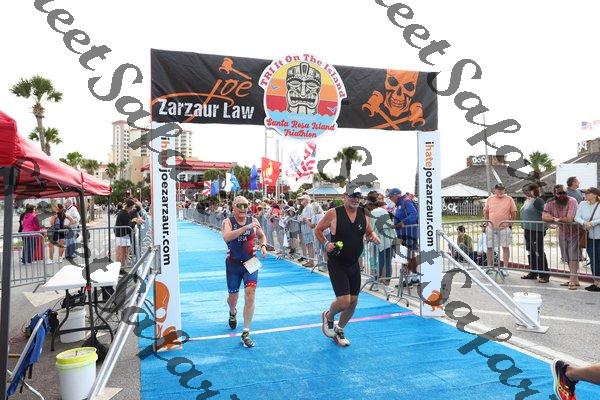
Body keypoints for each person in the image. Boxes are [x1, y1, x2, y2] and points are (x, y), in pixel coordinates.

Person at [315, 189, 380, 347]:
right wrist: (326, 243)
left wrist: (373, 236)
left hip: (354, 264)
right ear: (345, 197)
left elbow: (368, 232)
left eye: (358, 197)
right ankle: (329, 316)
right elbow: (318, 230)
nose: (355, 199)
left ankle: (340, 329)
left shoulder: (364, 213)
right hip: (337, 263)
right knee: (344, 302)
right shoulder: (333, 213)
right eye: (352, 196)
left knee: (353, 302)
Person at [222, 196, 267, 348]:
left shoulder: (253, 220)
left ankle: (246, 332)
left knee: (250, 293)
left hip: (250, 263)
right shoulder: (228, 222)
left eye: (245, 205)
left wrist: (263, 245)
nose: (243, 208)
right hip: (233, 265)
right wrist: (245, 228)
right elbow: (227, 237)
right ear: (233, 207)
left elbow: (262, 235)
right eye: (239, 205)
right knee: (233, 297)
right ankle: (232, 311)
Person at [543, 184, 581, 289]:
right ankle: (575, 279)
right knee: (568, 257)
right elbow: (544, 216)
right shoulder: (550, 202)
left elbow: (569, 219)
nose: (562, 195)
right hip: (562, 232)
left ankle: (572, 281)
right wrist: (553, 219)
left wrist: (556, 219)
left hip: (575, 232)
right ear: (554, 193)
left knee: (573, 256)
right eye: (559, 193)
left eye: (564, 193)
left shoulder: (572, 201)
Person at [387, 188, 419, 283]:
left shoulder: (405, 201)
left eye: (390, 197)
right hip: (405, 234)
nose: (390, 199)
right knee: (410, 256)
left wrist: (403, 222)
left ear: (395, 195)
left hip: (408, 234)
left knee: (406, 256)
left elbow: (414, 214)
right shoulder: (400, 203)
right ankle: (413, 277)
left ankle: (408, 280)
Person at [365, 191, 395, 291]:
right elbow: (390, 225)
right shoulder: (383, 211)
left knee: (379, 261)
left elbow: (369, 228)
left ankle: (377, 282)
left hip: (377, 240)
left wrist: (368, 237)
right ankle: (385, 284)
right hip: (387, 240)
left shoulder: (371, 212)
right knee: (386, 261)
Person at [520, 183, 550, 282]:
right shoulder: (527, 201)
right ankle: (533, 272)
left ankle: (544, 274)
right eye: (524, 190)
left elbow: (545, 213)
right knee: (530, 251)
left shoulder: (538, 201)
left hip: (537, 230)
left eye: (526, 190)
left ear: (533, 191)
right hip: (527, 229)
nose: (524, 192)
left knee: (538, 251)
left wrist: (550, 223)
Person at [483, 183, 517, 269]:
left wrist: (510, 224)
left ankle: (505, 267)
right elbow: (486, 212)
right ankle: (489, 267)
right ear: (495, 190)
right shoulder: (490, 199)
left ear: (504, 190)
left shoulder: (509, 199)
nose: (500, 191)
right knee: (489, 247)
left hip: (504, 228)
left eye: (502, 189)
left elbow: (513, 213)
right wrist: (486, 223)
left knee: (505, 247)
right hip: (491, 227)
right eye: (499, 190)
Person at [574, 187, 600, 291]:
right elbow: (577, 217)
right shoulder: (582, 204)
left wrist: (592, 223)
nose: (586, 195)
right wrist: (584, 223)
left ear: (595, 195)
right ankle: (596, 282)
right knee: (593, 259)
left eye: (588, 193)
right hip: (588, 237)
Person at [114, 199, 137, 274]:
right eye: (132, 207)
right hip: (123, 236)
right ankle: (121, 269)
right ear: (130, 206)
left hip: (121, 235)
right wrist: (135, 221)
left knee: (121, 253)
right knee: (123, 253)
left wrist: (132, 221)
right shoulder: (125, 213)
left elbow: (127, 223)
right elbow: (129, 225)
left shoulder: (122, 212)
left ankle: (119, 268)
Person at [298, 195, 315, 268]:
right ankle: (310, 261)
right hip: (305, 228)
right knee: (308, 245)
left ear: (307, 200)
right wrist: (303, 219)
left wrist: (305, 219)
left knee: (310, 245)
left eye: (303, 199)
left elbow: (312, 217)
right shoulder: (305, 208)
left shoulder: (309, 207)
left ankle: (311, 262)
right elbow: (301, 218)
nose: (301, 200)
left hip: (308, 229)